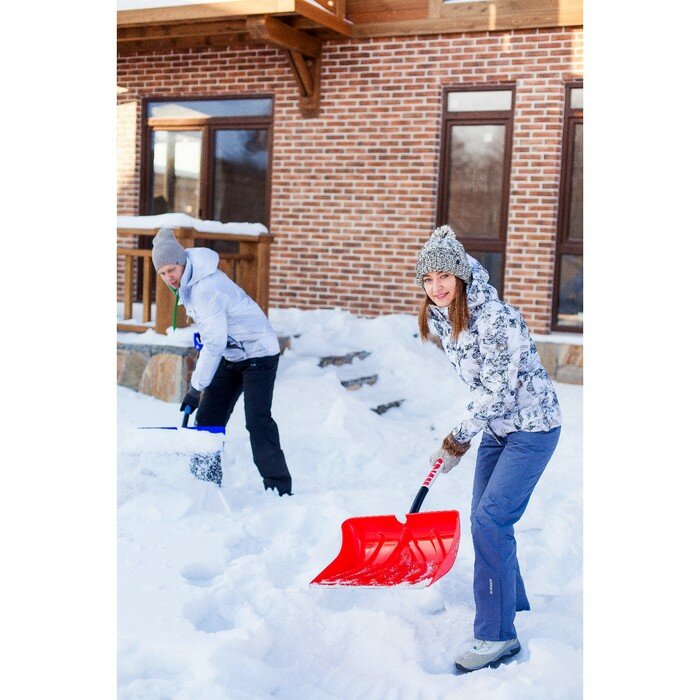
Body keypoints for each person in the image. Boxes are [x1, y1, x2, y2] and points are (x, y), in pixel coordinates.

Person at [415, 225, 562, 673]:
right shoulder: (446, 317)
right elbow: (485, 391)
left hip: (533, 429)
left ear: (460, 276)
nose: (436, 286)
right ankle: (511, 603)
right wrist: (467, 433)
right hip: (499, 430)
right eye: (428, 279)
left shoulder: (496, 317)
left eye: (444, 276)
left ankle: (497, 636)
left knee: (490, 520)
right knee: (487, 516)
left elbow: (497, 389)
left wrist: (457, 437)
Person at [151, 227, 293, 496]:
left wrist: (195, 389)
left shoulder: (206, 288)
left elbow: (214, 343)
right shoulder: (190, 283)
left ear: (182, 263)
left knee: (257, 420)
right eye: (163, 272)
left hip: (258, 353)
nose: (169, 277)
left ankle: (279, 488)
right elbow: (214, 337)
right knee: (208, 417)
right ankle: (203, 485)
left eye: (172, 269)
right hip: (232, 353)